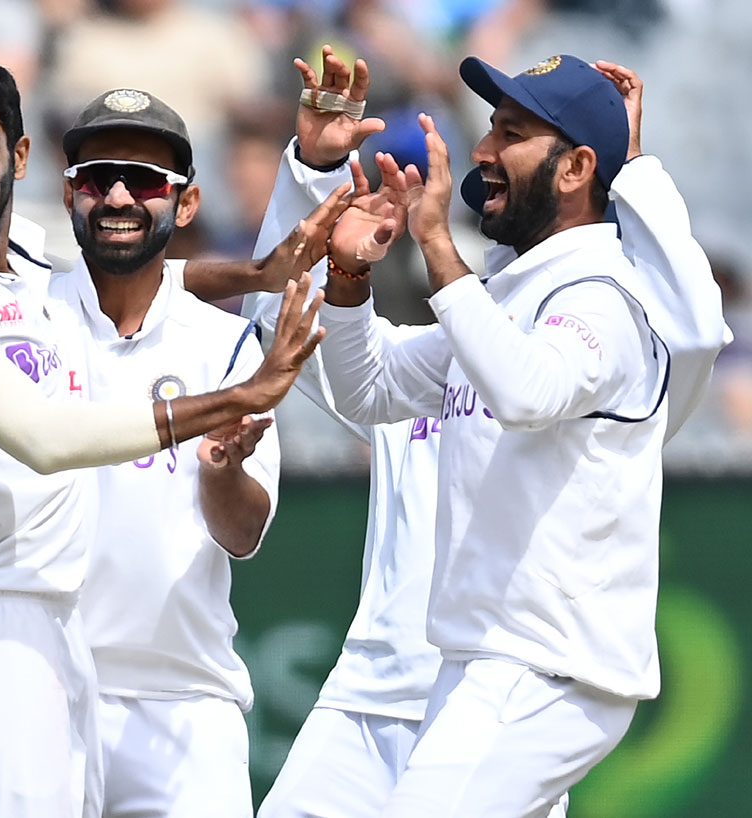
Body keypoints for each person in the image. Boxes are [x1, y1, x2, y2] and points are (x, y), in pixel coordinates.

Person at [0, 51, 325, 818]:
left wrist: (257, 274)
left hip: (65, 648)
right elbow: (42, 437)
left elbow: (141, 269)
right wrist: (239, 396)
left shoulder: (16, 274)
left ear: (19, 156)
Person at [307, 54, 723, 817]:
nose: (483, 151)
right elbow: (369, 389)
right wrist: (348, 280)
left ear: (577, 169)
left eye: (513, 132)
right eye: (492, 127)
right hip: (476, 661)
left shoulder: (604, 294)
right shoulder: (509, 290)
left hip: (545, 665)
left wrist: (436, 245)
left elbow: (530, 392)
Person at [51, 90, 279, 818]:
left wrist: (223, 472)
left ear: (185, 204)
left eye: (146, 181)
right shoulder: (21, 318)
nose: (118, 195)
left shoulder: (228, 344)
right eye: (97, 177)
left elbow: (242, 534)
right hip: (40, 690)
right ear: (68, 195)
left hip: (185, 706)